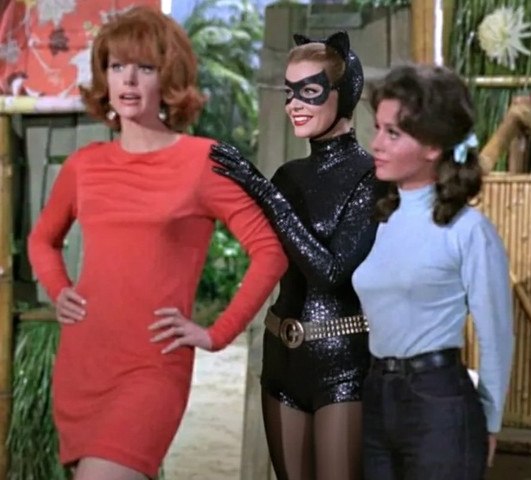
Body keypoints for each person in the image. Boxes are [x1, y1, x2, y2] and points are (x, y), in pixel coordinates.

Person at [27, 7, 287, 480]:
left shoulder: (204, 162)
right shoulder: (85, 165)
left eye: (144, 68)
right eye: (117, 66)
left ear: (168, 78)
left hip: (152, 365)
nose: (128, 80)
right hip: (84, 360)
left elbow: (271, 250)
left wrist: (217, 333)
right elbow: (42, 241)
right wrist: (59, 289)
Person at [210, 31, 380, 480]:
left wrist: (265, 193)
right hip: (281, 356)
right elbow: (267, 258)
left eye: (310, 91)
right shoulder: (287, 175)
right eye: (289, 92)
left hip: (342, 361)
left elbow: (331, 272)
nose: (294, 105)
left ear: (344, 93)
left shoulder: (370, 176)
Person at [352, 64, 514, 480]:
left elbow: (496, 336)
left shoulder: (468, 230)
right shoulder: (381, 220)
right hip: (376, 395)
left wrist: (490, 421)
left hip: (438, 401)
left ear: (433, 146)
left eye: (393, 133)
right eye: (378, 128)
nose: (376, 144)